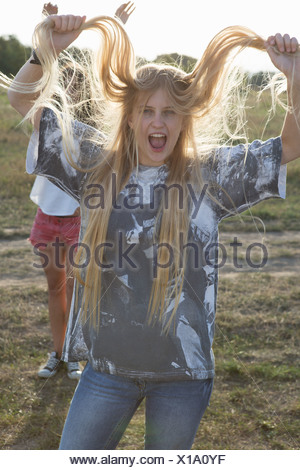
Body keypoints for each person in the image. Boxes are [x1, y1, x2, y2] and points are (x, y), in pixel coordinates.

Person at [3, 8, 300, 450]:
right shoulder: (93, 165)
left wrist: (293, 75)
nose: (157, 123)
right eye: (146, 111)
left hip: (182, 376)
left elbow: (291, 144)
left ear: (185, 120)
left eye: (169, 113)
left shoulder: (209, 176)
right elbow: (23, 101)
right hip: (105, 372)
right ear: (128, 117)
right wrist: (46, 52)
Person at [26, 2, 135, 380]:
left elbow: (116, 87)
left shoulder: (98, 136)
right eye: (62, 81)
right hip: (46, 220)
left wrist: (115, 30)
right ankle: (57, 353)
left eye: (75, 82)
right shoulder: (46, 124)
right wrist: (45, 29)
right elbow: (31, 83)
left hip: (79, 222)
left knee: (76, 294)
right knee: (55, 291)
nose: (67, 85)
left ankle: (74, 355)